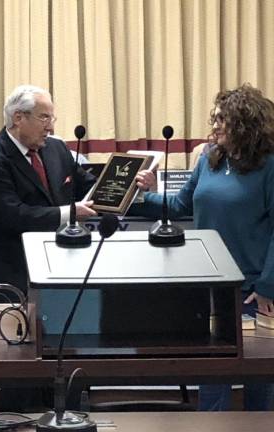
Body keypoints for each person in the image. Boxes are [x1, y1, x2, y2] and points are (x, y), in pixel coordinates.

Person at [135, 84, 274, 411]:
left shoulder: (269, 166)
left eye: (221, 120)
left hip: (253, 289)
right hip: (208, 283)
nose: (214, 127)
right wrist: (141, 196)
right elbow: (181, 205)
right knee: (212, 375)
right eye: (213, 119)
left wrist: (268, 286)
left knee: (259, 378)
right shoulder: (208, 161)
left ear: (245, 122)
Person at [0, 85, 96, 295]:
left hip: (62, 268)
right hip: (15, 276)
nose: (50, 128)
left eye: (52, 119)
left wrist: (130, 186)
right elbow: (13, 216)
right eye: (44, 118)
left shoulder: (57, 148)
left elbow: (88, 185)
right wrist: (70, 212)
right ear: (19, 118)